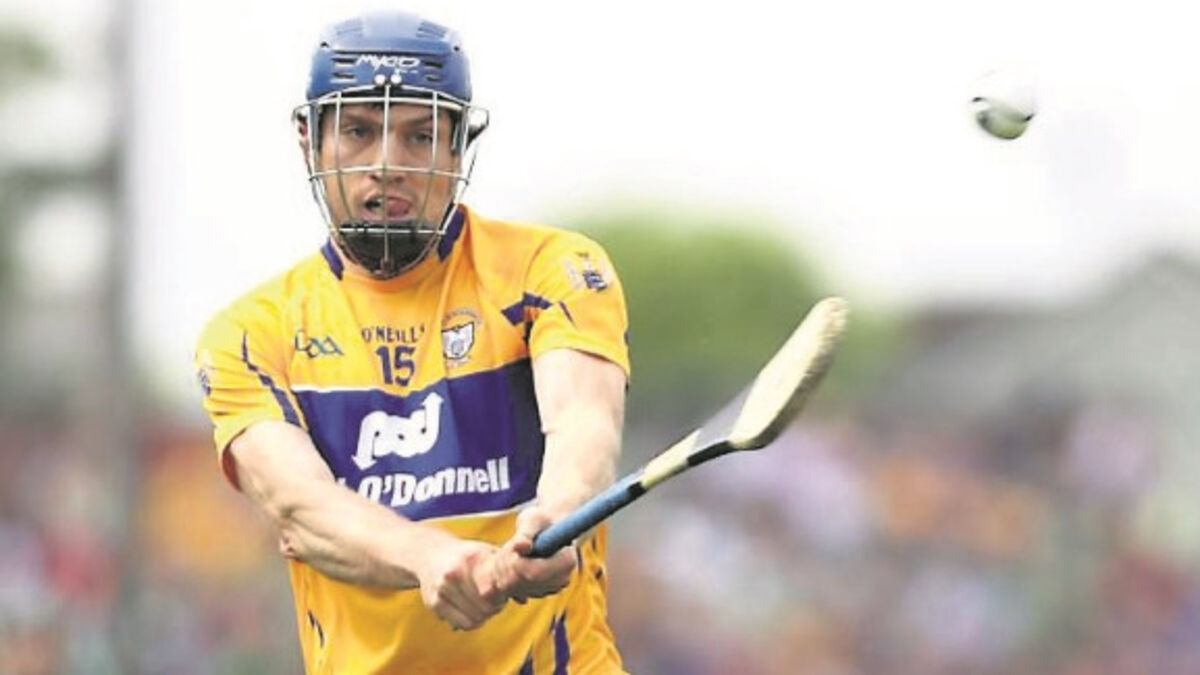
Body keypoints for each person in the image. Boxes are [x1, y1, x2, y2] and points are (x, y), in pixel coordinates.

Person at [193, 10, 630, 674]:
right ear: (310, 142)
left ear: (458, 149)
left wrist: (561, 513)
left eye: (420, 135)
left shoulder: (553, 269)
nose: (388, 164)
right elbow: (300, 506)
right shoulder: (252, 333)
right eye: (359, 132)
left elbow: (584, 423)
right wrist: (429, 558)